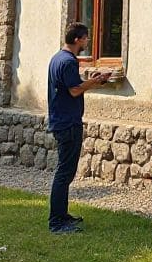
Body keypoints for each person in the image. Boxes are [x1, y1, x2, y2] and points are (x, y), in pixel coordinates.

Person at [47, 22, 110, 234]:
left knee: (66, 172)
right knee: (65, 173)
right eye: (85, 38)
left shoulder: (58, 58)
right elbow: (74, 90)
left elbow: (70, 86)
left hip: (61, 120)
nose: (88, 41)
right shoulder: (68, 62)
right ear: (77, 40)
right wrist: (96, 80)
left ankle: (62, 215)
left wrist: (92, 81)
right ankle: (57, 222)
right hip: (67, 122)